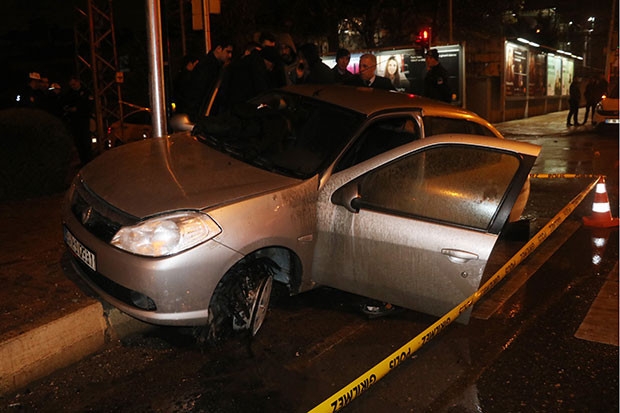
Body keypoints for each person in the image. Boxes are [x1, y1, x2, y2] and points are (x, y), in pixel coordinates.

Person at [193, 37, 234, 119]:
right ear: (219, 49)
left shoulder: (212, 66)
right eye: (228, 52)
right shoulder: (208, 67)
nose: (230, 56)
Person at [62, 75, 94, 165]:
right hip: (74, 120)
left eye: (74, 84)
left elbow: (89, 105)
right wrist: (68, 109)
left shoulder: (86, 92)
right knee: (78, 141)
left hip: (83, 119)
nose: (73, 86)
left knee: (85, 141)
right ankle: (83, 160)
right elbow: (65, 103)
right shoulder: (69, 94)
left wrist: (78, 109)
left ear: (78, 82)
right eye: (71, 85)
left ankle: (89, 160)